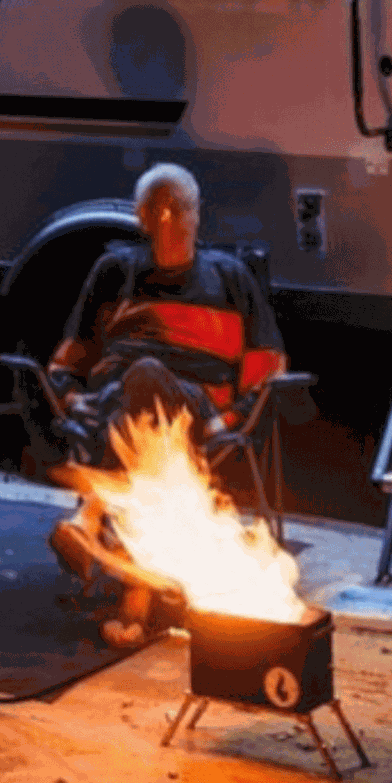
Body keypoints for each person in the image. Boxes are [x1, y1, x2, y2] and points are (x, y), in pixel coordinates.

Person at [45, 163, 287, 646]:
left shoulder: (230, 278)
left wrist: (232, 418)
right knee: (138, 397)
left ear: (199, 216)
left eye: (181, 207)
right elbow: (67, 360)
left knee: (148, 376)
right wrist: (71, 398)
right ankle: (137, 599)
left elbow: (267, 373)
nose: (170, 217)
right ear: (139, 216)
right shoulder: (113, 273)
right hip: (116, 408)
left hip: (195, 409)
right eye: (157, 207)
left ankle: (91, 520)